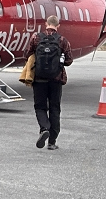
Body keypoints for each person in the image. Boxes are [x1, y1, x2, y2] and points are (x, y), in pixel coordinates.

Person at [28, 15, 73, 150]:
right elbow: (69, 60)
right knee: (55, 109)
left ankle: (44, 128)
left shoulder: (36, 38)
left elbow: (28, 54)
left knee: (40, 107)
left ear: (45, 24)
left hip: (39, 79)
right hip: (56, 79)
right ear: (58, 26)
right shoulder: (62, 40)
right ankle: (52, 142)